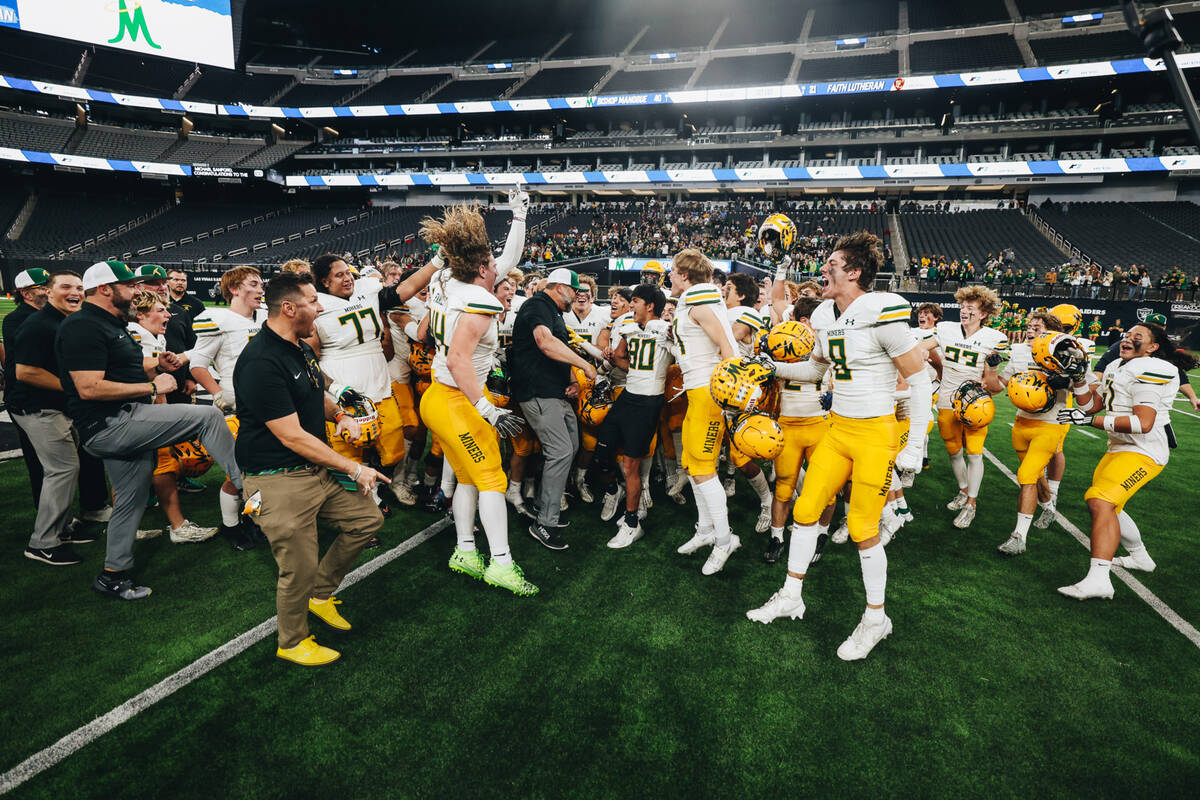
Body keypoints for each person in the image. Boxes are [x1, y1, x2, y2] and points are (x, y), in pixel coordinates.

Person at [746, 231, 932, 661]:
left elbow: (919, 380)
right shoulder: (827, 314)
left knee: (865, 529)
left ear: (855, 271)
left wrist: (915, 444)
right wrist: (771, 366)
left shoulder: (881, 308)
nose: (823, 268)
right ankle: (792, 594)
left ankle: (876, 619)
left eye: (832, 263)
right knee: (805, 510)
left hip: (874, 434)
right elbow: (815, 369)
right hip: (838, 429)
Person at [56, 260, 244, 601]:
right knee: (208, 418)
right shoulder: (83, 326)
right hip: (111, 423)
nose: (136, 290)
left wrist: (156, 364)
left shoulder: (108, 322)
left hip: (119, 421)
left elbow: (123, 367)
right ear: (105, 289)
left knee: (130, 500)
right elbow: (89, 387)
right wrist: (151, 386)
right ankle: (249, 485)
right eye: (128, 285)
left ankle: (113, 574)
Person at [233, 271, 388, 666]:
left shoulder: (298, 346)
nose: (319, 310)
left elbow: (314, 390)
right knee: (296, 566)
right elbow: (291, 436)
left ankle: (320, 595)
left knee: (366, 520)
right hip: (278, 476)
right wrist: (354, 469)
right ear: (289, 308)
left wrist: (339, 416)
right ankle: (292, 641)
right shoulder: (260, 362)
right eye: (313, 302)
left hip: (313, 468)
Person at [417, 203, 539, 595]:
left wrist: (519, 217)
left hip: (437, 398)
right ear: (482, 268)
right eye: (492, 264)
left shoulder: (445, 283)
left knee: (468, 477)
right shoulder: (480, 300)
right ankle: (501, 563)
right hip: (459, 399)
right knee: (491, 478)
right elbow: (457, 360)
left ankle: (466, 551)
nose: (499, 268)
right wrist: (487, 409)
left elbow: (509, 257)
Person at [1057, 323, 1197, 599]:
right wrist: (1079, 377)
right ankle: (1140, 557)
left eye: (1138, 337)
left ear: (1153, 347)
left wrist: (1088, 421)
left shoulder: (1154, 368)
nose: (1128, 339)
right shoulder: (1117, 366)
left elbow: (1142, 423)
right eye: (1127, 334)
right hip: (1120, 447)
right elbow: (1091, 405)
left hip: (1145, 451)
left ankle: (1099, 579)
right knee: (1111, 507)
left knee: (1101, 500)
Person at [9, 270, 94, 565]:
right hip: (37, 407)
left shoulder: (61, 320)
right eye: (67, 286)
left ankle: (63, 527)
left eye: (80, 287)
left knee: (65, 468)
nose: (76, 292)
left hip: (53, 406)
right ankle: (43, 542)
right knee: (63, 469)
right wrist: (72, 388)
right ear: (48, 292)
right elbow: (25, 372)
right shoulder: (39, 324)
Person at [510, 267, 597, 548]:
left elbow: (557, 347)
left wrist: (571, 378)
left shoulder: (553, 311)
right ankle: (545, 523)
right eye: (574, 291)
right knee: (560, 451)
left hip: (554, 390)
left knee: (570, 446)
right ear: (560, 287)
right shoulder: (537, 304)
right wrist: (585, 365)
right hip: (537, 391)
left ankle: (544, 506)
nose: (576, 297)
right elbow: (545, 343)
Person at [669, 249, 742, 576]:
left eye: (673, 271)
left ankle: (725, 539)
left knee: (702, 469)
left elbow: (728, 350)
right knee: (692, 463)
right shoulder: (695, 303)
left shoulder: (700, 304)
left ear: (685, 275)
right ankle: (706, 529)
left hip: (707, 393)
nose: (669, 276)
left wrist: (727, 396)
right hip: (698, 392)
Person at [592, 283, 672, 548]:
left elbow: (683, 359)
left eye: (635, 301)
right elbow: (620, 357)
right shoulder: (631, 328)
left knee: (630, 465)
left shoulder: (666, 331)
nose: (631, 306)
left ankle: (631, 523)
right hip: (628, 396)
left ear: (649, 305)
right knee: (602, 453)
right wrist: (631, 362)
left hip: (648, 403)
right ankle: (614, 493)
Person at [932, 286, 1007, 529]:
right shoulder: (945, 329)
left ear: (984, 313)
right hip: (946, 400)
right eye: (963, 307)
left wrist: (992, 372)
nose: (964, 311)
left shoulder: (994, 338)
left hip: (976, 403)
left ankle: (971, 504)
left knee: (974, 452)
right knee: (954, 451)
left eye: (971, 308)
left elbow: (995, 387)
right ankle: (964, 491)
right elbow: (923, 349)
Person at [996, 312, 1069, 555]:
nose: (1030, 330)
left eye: (1036, 327)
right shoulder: (1018, 351)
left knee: (1026, 474)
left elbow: (1087, 388)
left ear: (1050, 333)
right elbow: (1002, 383)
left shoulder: (1064, 352)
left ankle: (1019, 537)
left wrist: (1068, 381)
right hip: (1022, 423)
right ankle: (1048, 508)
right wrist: (990, 368)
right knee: (1035, 475)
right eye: (1029, 326)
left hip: (1049, 424)